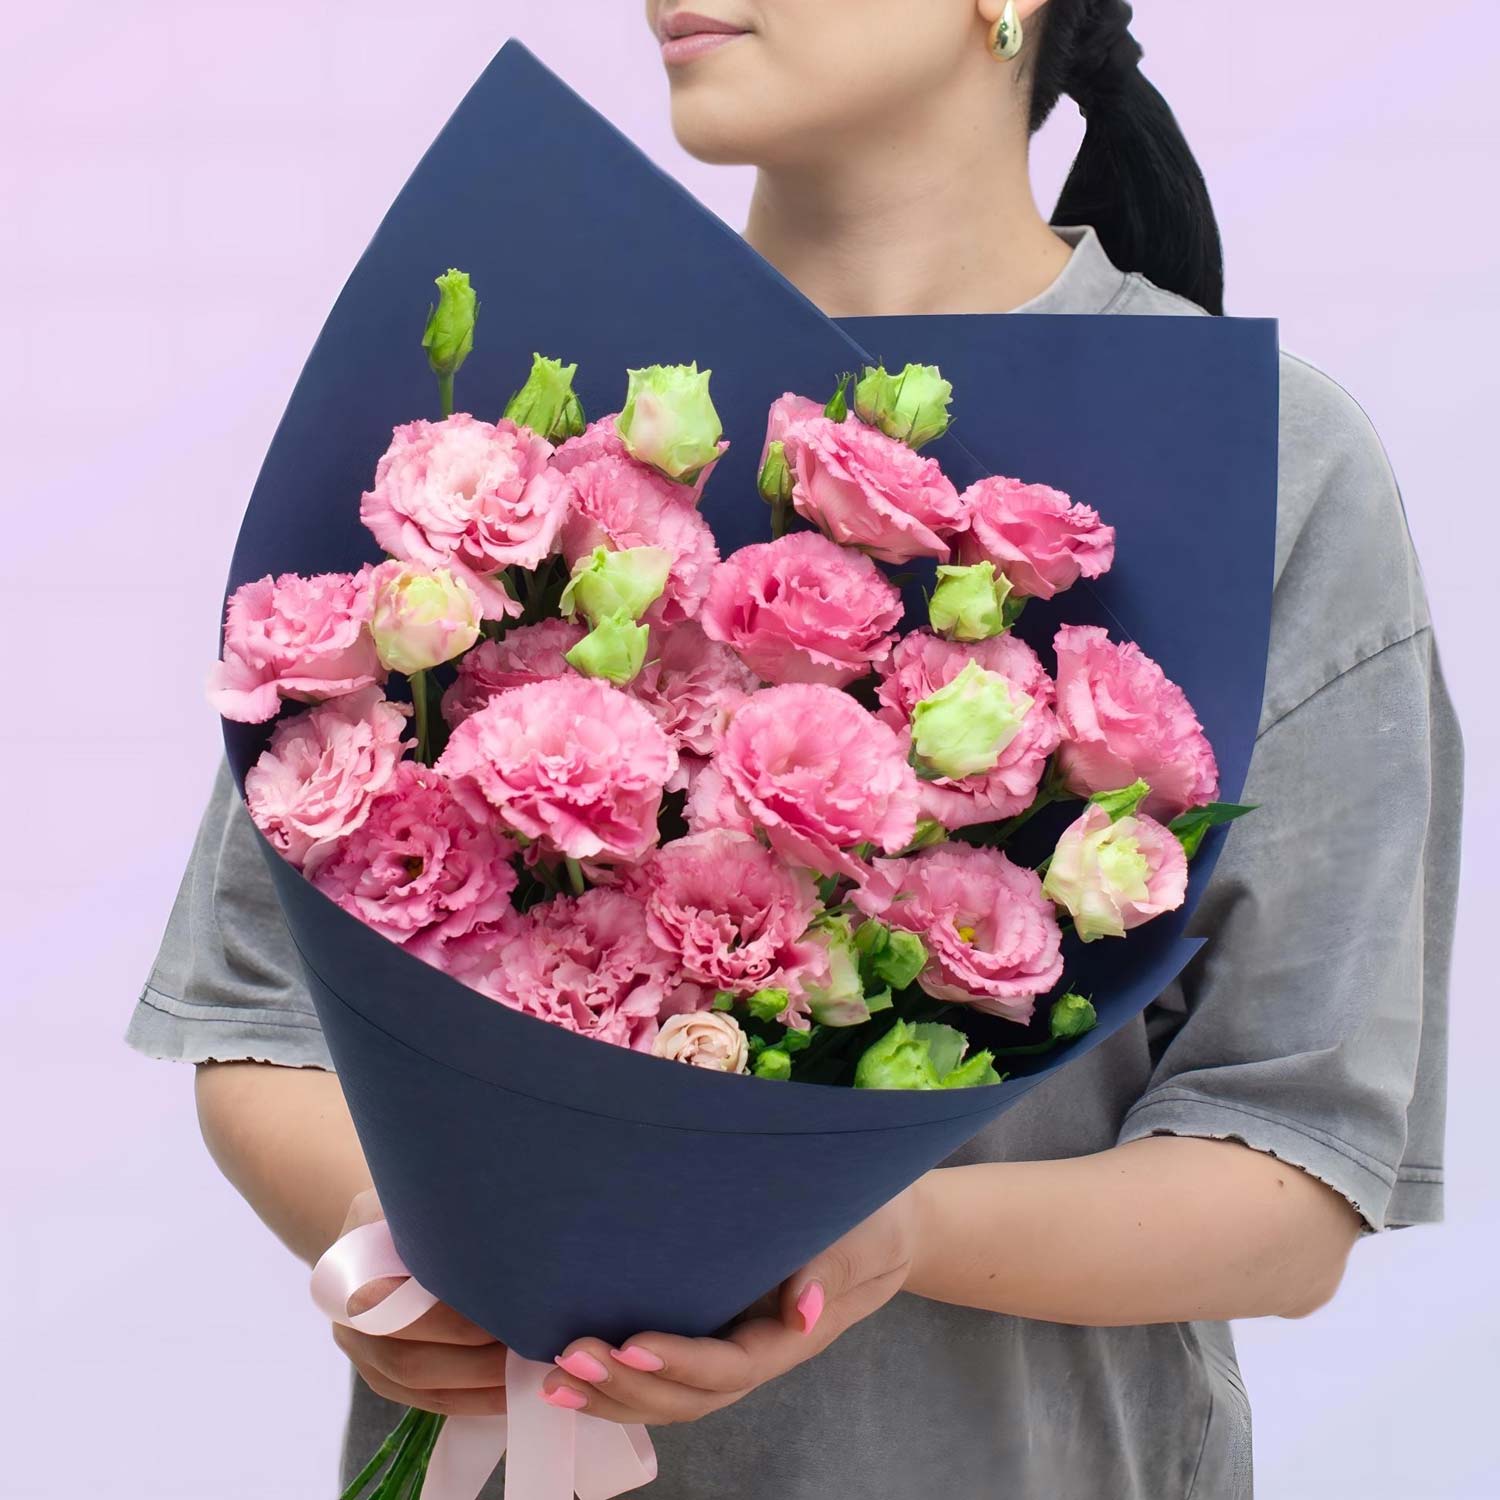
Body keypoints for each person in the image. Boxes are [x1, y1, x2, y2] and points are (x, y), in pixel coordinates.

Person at [128, 2, 1461, 1497]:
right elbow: (259, 1018)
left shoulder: (1278, 463)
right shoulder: (498, 419)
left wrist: (891, 1237)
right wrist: (406, 1244)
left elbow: (1294, 1170)